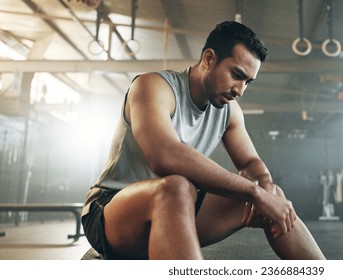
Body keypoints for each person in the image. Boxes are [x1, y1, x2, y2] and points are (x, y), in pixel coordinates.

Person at [81, 21, 326, 260]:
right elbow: (165, 156)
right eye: (236, 75)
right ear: (209, 59)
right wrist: (254, 192)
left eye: (247, 82)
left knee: (272, 196)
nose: (240, 90)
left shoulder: (229, 111)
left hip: (178, 209)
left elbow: (250, 162)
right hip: (110, 214)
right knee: (176, 187)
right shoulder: (153, 86)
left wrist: (265, 185)